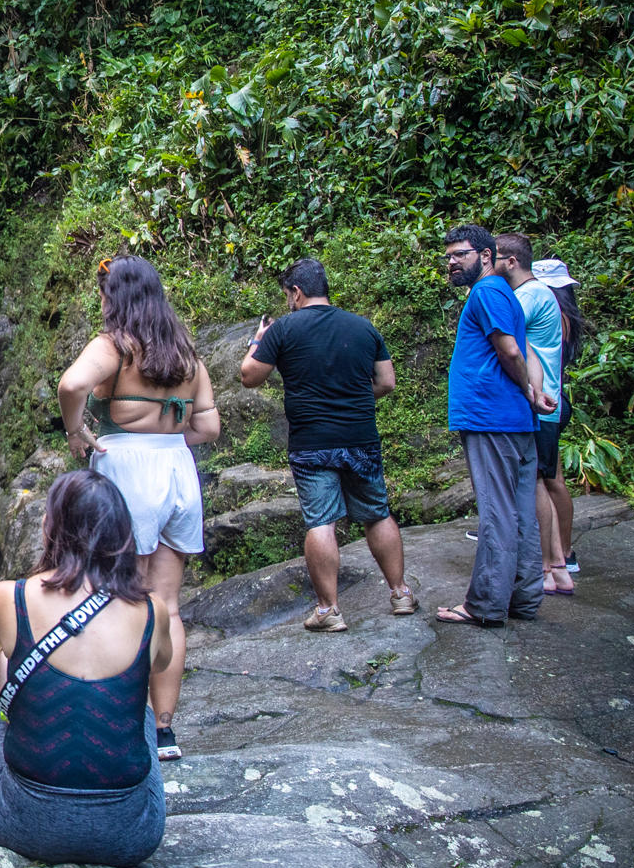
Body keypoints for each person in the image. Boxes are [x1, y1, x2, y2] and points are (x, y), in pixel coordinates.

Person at [0, 469, 171, 866]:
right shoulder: (151, 611)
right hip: (130, 833)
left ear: (50, 528)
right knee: (136, 698)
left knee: (0, 665)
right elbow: (161, 663)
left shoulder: (7, 599)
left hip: (19, 823)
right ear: (122, 535)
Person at [57, 255, 218, 761]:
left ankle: (120, 719)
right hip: (177, 473)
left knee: (121, 597)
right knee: (166, 604)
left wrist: (76, 430)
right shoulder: (185, 353)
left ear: (115, 297)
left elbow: (70, 385)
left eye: (104, 291)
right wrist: (167, 437)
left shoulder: (114, 347)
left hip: (127, 471)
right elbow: (209, 429)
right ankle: (165, 730)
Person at [239, 257, 416, 630]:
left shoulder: (283, 329)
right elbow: (386, 382)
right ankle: (400, 593)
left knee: (321, 521)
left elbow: (249, 376)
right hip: (360, 437)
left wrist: (258, 338)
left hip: (311, 443)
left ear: (297, 292)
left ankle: (328, 610)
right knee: (377, 513)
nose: (288, 301)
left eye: (288, 295)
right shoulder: (363, 327)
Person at [435, 225, 557, 628]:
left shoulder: (486, 292)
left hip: (491, 419)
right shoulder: (504, 292)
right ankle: (523, 599)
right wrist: (532, 395)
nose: (452, 262)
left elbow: (509, 350)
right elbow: (524, 350)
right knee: (521, 511)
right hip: (515, 421)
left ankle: (485, 604)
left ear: (486, 256)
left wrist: (526, 389)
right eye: (449, 256)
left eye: (461, 254)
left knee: (497, 511)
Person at [495, 233, 571, 596]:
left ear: (510, 262)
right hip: (544, 401)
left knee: (537, 484)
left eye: (491, 257)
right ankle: (557, 567)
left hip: (540, 402)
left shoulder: (529, 296)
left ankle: (545, 567)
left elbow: (501, 333)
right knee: (542, 480)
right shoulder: (539, 294)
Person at [536, 258, 592, 574]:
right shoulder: (567, 316)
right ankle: (563, 551)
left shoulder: (552, 315)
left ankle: (562, 553)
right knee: (551, 478)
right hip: (557, 401)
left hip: (548, 403)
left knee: (547, 481)